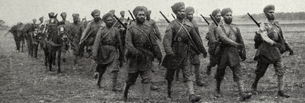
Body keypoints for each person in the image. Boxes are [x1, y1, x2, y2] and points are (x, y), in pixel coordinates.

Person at [161, 2, 207, 102]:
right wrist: (169, 52)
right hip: (174, 53)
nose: (182, 13)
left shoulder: (189, 25)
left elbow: (196, 39)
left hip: (185, 53)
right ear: (176, 12)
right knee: (170, 75)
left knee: (188, 73)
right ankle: (169, 93)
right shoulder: (172, 25)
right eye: (180, 11)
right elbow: (166, 40)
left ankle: (191, 95)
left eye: (183, 11)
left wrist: (203, 50)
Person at [251, 4, 293, 98]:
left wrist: (289, 47)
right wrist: (273, 43)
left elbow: (282, 37)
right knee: (260, 71)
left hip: (275, 51)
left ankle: (280, 91)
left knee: (280, 70)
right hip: (265, 51)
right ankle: (254, 86)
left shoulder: (276, 24)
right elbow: (264, 37)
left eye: (273, 12)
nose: (272, 14)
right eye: (270, 12)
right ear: (266, 13)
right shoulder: (263, 25)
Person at [123, 6, 162, 102]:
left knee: (147, 78)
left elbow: (153, 43)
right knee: (131, 79)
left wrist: (158, 54)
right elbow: (128, 43)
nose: (142, 16)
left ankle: (145, 99)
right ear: (135, 15)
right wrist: (136, 52)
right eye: (140, 15)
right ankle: (125, 93)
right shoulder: (131, 28)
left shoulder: (148, 28)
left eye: (143, 15)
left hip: (145, 56)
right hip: (134, 57)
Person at [214, 8, 252, 101]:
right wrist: (236, 44)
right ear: (223, 16)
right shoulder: (220, 27)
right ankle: (217, 90)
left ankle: (242, 93)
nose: (229, 17)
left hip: (234, 53)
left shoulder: (235, 27)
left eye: (231, 15)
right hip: (223, 53)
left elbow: (241, 40)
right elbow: (224, 38)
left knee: (238, 72)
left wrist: (243, 52)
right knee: (220, 72)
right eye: (227, 15)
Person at [92, 12, 123, 91]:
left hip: (113, 51)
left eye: (111, 20)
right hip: (103, 51)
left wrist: (121, 55)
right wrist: (95, 54)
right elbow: (97, 42)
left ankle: (114, 87)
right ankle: (98, 82)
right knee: (102, 68)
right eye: (108, 20)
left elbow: (119, 43)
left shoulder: (116, 30)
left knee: (115, 68)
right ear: (105, 21)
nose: (110, 21)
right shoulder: (101, 30)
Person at [184, 6, 205, 86]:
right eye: (189, 14)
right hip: (186, 46)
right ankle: (186, 78)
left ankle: (198, 80)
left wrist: (201, 46)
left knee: (197, 63)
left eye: (192, 14)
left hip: (194, 46)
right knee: (186, 64)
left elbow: (198, 35)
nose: (190, 16)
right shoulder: (183, 22)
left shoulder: (194, 22)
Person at [79, 9, 103, 75]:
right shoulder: (90, 23)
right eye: (96, 15)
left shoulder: (102, 23)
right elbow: (85, 32)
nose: (98, 16)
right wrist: (82, 39)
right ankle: (93, 70)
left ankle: (96, 69)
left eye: (98, 15)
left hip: (101, 41)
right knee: (94, 55)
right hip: (92, 41)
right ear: (93, 16)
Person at [205, 9, 222, 76]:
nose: (219, 17)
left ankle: (218, 75)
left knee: (221, 61)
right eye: (217, 16)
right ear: (214, 17)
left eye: (220, 16)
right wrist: (216, 42)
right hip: (214, 46)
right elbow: (212, 37)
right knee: (213, 62)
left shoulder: (222, 23)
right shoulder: (211, 25)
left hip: (221, 45)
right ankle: (209, 67)